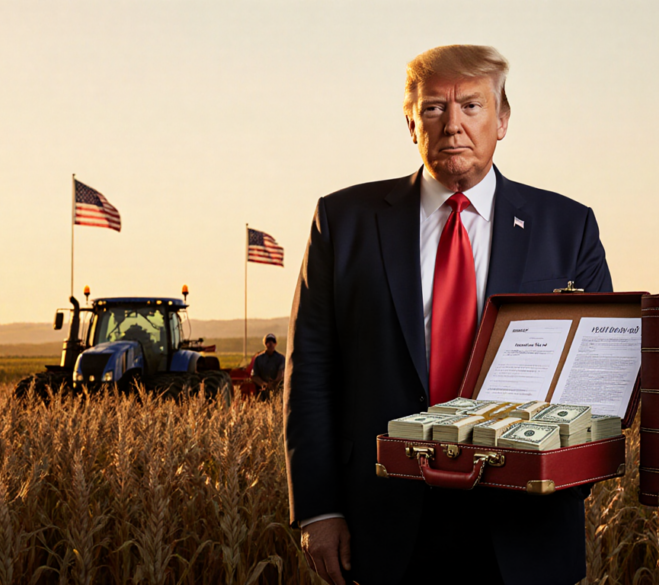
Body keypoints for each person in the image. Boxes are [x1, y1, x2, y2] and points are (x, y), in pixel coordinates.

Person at [285, 45, 613, 585]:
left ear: (503, 120)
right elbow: (312, 373)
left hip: (525, 517)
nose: (453, 125)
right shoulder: (343, 221)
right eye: (434, 107)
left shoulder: (568, 226)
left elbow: (594, 382)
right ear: (410, 122)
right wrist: (319, 510)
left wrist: (561, 478)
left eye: (472, 107)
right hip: (384, 513)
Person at [251, 333, 285, 399]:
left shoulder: (281, 358)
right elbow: (254, 375)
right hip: (262, 391)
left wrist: (274, 383)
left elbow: (281, 373)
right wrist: (264, 384)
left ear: (275, 344)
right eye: (268, 342)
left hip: (277, 391)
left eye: (273, 342)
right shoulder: (258, 359)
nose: (270, 344)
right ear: (265, 344)